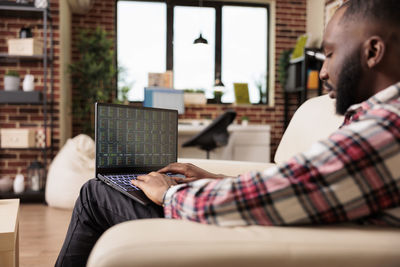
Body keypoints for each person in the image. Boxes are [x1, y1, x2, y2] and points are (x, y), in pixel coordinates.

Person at [56, 0, 400, 266]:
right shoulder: (370, 119)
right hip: (274, 218)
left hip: (249, 231)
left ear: (372, 52)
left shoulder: (386, 128)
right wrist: (211, 176)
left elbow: (277, 194)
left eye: (329, 54)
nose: (323, 71)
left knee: (93, 194)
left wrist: (169, 196)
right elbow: (298, 178)